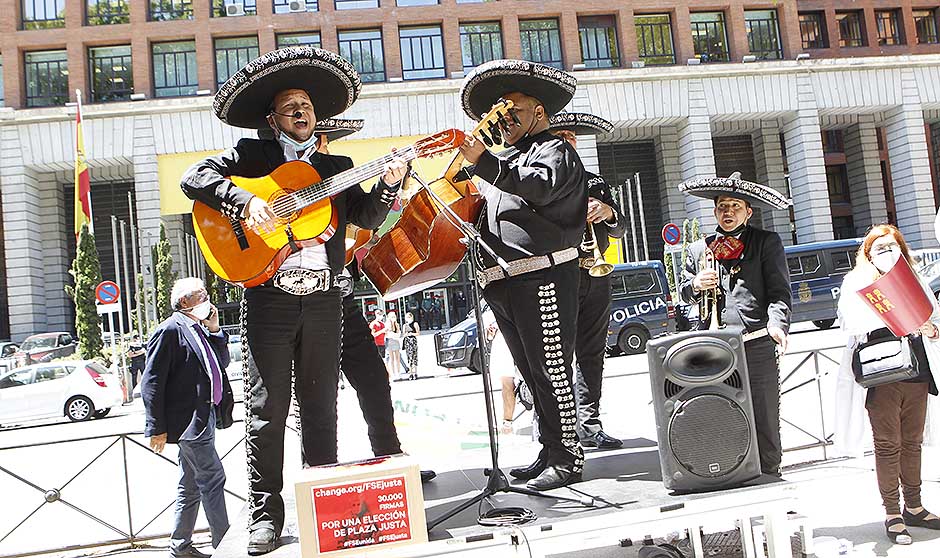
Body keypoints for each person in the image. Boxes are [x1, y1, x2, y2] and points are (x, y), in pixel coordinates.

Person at [180, 47, 405, 555]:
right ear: (273, 119)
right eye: (290, 105)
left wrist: (389, 185)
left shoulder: (338, 165)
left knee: (322, 405)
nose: (302, 110)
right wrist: (250, 201)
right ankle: (265, 515)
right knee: (267, 408)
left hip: (325, 299)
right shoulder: (250, 157)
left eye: (306, 103)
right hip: (269, 299)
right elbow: (193, 179)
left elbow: (366, 215)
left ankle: (323, 499)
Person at [457, 59, 586, 491]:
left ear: (539, 112)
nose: (506, 119)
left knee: (551, 370)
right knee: (531, 373)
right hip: (506, 280)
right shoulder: (510, 160)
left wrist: (485, 163)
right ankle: (550, 449)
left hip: (543, 276)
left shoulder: (556, 151)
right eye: (501, 112)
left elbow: (539, 187)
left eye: (514, 110)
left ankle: (568, 458)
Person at [678, 173, 792, 477]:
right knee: (720, 414)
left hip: (755, 341)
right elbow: (682, 294)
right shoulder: (699, 249)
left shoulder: (767, 242)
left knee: (765, 415)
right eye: (722, 207)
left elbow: (780, 293)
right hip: (712, 347)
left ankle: (771, 475)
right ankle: (730, 474)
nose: (728, 212)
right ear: (715, 212)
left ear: (748, 211)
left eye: (735, 206)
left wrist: (778, 325)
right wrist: (695, 284)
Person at [835, 224, 940, 545]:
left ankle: (915, 505)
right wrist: (896, 317)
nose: (887, 252)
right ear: (868, 253)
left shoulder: (915, 276)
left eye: (892, 246)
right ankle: (893, 512)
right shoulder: (857, 281)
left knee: (912, 440)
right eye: (879, 248)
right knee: (887, 443)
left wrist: (931, 328)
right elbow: (850, 322)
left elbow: (932, 314)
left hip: (917, 368)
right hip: (882, 369)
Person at [142, 278, 234, 558]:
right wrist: (155, 427)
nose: (208, 298)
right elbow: (152, 381)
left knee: (191, 484)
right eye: (201, 295)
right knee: (213, 478)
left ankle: (180, 546)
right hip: (189, 421)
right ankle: (227, 544)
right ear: (184, 302)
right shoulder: (170, 330)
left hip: (205, 414)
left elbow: (222, 363)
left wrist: (215, 330)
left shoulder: (199, 329)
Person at [549, 114, 626, 450]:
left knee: (593, 352)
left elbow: (620, 227)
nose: (568, 140)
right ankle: (559, 431)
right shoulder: (542, 185)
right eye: (560, 135)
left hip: (596, 273)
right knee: (557, 356)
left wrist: (607, 212)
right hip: (560, 275)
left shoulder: (594, 182)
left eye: (571, 136)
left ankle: (590, 423)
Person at [385, 311, 403, 380]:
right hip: (390, 342)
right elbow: (388, 334)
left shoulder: (397, 324)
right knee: (391, 358)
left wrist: (395, 335)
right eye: (392, 317)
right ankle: (393, 374)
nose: (394, 318)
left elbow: (398, 333)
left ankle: (398, 372)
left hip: (396, 341)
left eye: (394, 316)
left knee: (397, 358)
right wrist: (394, 335)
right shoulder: (387, 324)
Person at [402, 312, 420, 380]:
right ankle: (411, 373)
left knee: (414, 356)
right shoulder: (405, 325)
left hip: (413, 341)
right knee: (409, 358)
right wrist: (406, 334)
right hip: (407, 342)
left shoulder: (415, 324)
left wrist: (412, 334)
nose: (408, 319)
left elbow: (418, 333)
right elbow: (403, 334)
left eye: (409, 317)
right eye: (407, 317)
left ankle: (415, 372)